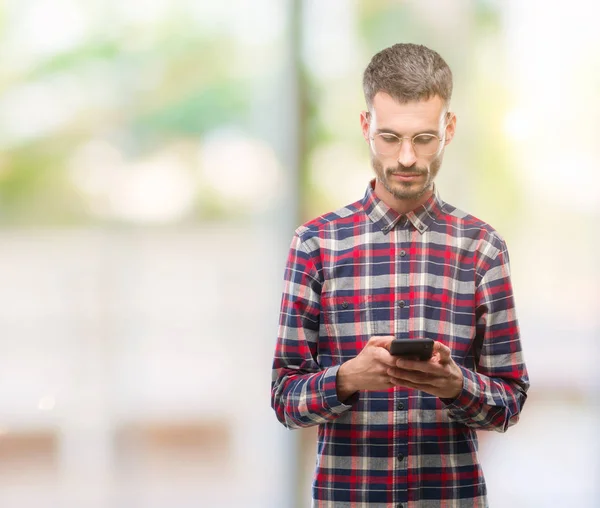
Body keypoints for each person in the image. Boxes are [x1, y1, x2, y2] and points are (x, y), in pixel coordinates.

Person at [270, 43, 529, 507]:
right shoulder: (316, 245)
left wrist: (457, 386)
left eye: (423, 138)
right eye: (390, 137)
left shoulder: (482, 248)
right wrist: (348, 378)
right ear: (366, 126)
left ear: (448, 128)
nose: (406, 158)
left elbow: (509, 401)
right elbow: (284, 398)